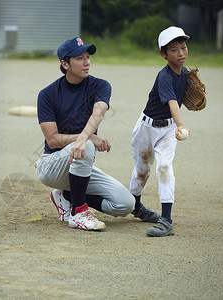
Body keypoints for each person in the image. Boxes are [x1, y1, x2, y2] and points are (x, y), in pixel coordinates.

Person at [35, 37, 160, 231]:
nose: (86, 62)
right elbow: (52, 140)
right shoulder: (48, 94)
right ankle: (78, 213)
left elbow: (99, 111)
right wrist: (88, 138)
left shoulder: (100, 86)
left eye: (87, 57)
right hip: (52, 165)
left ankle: (66, 196)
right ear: (64, 64)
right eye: (79, 58)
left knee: (125, 204)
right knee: (88, 146)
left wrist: (84, 139)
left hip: (79, 164)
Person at [129, 26, 191, 237]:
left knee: (164, 167)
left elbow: (184, 98)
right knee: (142, 169)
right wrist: (181, 123)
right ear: (163, 54)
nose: (181, 53)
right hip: (146, 128)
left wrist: (176, 125)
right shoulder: (164, 76)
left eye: (183, 47)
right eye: (174, 50)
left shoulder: (186, 74)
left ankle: (166, 220)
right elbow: (173, 102)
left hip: (168, 130)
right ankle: (136, 206)